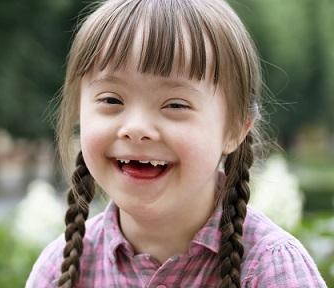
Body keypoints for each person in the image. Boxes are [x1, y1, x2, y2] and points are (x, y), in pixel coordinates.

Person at [26, 0, 327, 287]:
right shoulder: (59, 269)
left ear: (236, 128)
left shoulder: (272, 269)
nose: (136, 129)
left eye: (175, 105)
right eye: (111, 99)